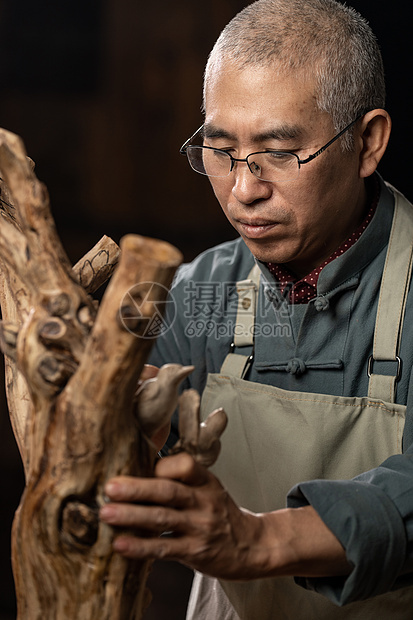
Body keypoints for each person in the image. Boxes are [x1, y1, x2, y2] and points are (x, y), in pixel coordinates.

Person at [99, 0, 413, 617]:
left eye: (279, 151)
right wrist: (115, 409)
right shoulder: (199, 292)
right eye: (220, 150)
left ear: (367, 141)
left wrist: (260, 539)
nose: (244, 189)